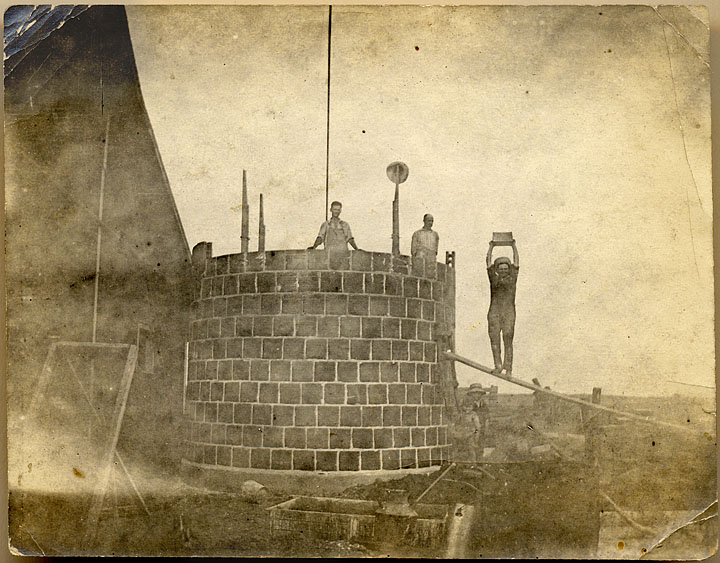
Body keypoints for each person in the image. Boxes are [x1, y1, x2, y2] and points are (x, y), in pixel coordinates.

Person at [486, 240, 519, 375]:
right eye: (501, 269)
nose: (504, 270)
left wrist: (513, 246)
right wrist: (491, 247)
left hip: (509, 312)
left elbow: (516, 262)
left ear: (508, 269)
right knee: (494, 339)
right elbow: (488, 262)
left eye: (506, 269)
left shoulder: (513, 278)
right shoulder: (493, 278)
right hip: (494, 311)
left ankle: (508, 368)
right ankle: (498, 365)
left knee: (508, 338)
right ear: (497, 269)